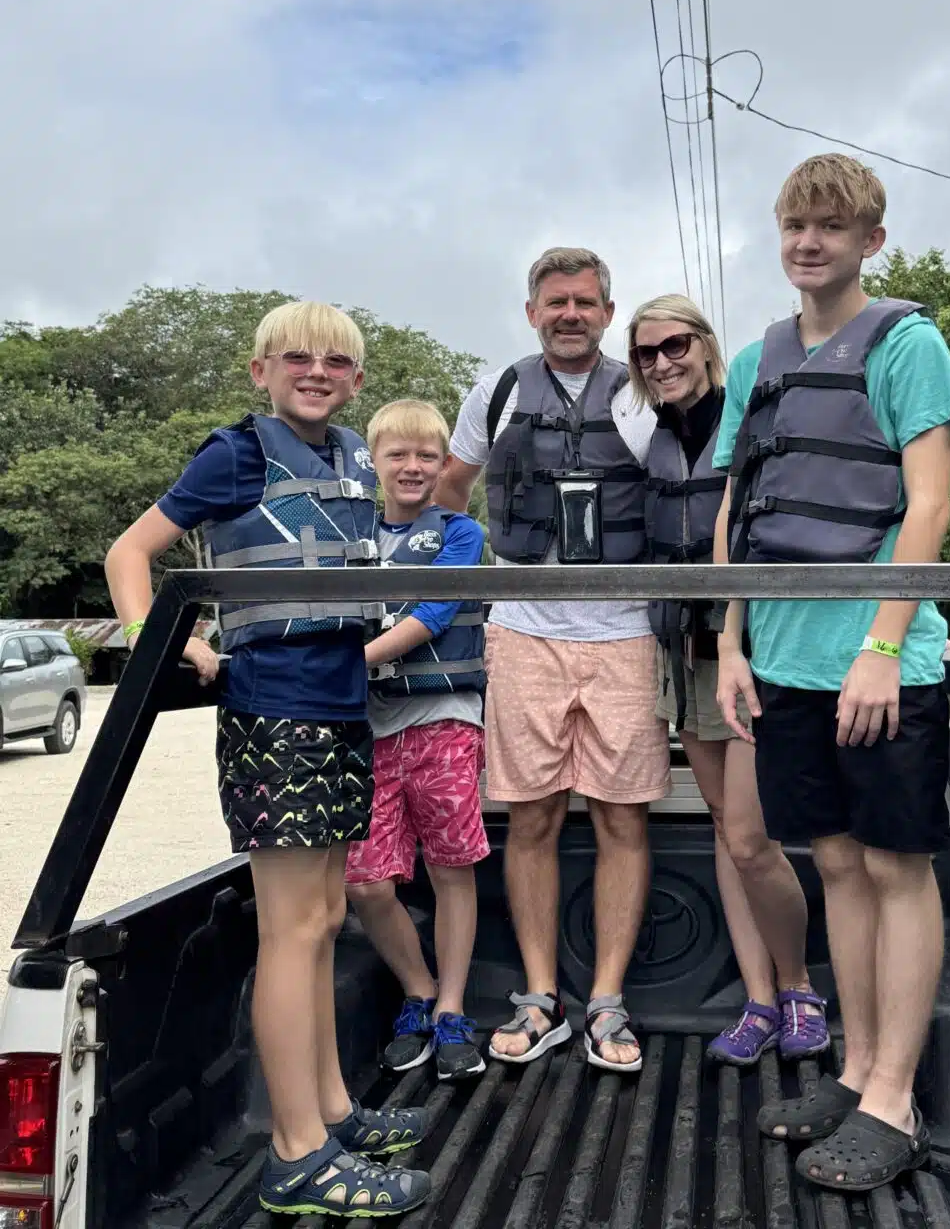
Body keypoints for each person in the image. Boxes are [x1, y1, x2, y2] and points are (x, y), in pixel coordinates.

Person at [104, 302, 431, 1221]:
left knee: (326, 918)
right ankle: (298, 1154)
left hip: (338, 708)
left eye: (336, 361)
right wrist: (154, 642)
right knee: (291, 929)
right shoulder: (237, 454)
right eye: (297, 358)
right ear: (261, 371)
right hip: (272, 711)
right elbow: (132, 551)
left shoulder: (355, 454)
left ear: (356, 380)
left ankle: (329, 1109)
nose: (317, 372)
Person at [714, 155, 950, 1193]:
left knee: (897, 866)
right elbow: (740, 510)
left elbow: (930, 505)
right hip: (780, 658)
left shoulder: (909, 344)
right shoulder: (755, 361)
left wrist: (879, 646)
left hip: (878, 660)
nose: (808, 242)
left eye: (831, 227)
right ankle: (857, 1071)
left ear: (871, 240)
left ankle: (896, 1100)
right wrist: (730, 643)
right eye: (794, 225)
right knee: (834, 861)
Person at [435, 247, 665, 1073]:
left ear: (608, 312)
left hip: (625, 630)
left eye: (587, 302)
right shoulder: (493, 393)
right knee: (530, 816)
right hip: (524, 626)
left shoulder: (645, 391)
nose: (571, 314)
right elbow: (451, 487)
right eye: (556, 301)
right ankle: (541, 997)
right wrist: (453, 584)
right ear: (532, 311)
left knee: (620, 815)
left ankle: (607, 998)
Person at [628, 293, 826, 1067]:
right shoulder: (647, 436)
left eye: (674, 345)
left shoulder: (747, 422)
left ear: (706, 345)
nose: (662, 363)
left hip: (740, 645)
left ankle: (799, 982)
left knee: (750, 836)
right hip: (679, 647)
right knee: (722, 825)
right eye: (646, 353)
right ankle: (760, 1000)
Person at [345, 399, 489, 1084]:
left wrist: (352, 661)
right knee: (368, 882)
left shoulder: (461, 533)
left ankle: (453, 1009)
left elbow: (434, 613)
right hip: (369, 727)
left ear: (443, 465)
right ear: (374, 462)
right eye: (397, 455)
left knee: (451, 866)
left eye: (426, 456)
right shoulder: (350, 534)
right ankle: (418, 988)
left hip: (443, 717)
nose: (411, 467)